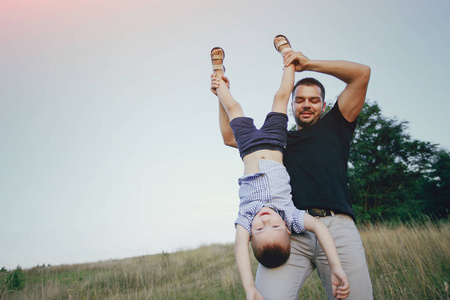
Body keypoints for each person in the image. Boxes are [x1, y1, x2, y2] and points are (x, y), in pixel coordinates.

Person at [213, 38, 373, 299]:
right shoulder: (279, 139)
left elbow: (362, 74)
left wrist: (308, 64)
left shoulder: (338, 124)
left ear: (323, 104)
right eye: (299, 100)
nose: (307, 104)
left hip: (335, 225)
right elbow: (230, 137)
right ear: (292, 105)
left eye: (314, 100)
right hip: (285, 227)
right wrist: (221, 94)